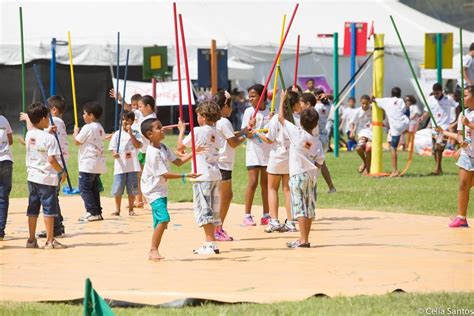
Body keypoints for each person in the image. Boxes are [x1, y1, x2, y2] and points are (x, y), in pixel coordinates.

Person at [140, 118, 199, 261]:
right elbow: (164, 174)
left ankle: (154, 250)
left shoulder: (163, 147)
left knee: (160, 222)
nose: (163, 129)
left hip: (160, 189)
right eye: (159, 128)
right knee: (164, 219)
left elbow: (178, 162)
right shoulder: (153, 153)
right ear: (149, 134)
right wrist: (186, 175)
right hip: (152, 191)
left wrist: (194, 152)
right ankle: (153, 250)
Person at [277, 91, 324, 248]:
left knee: (301, 209)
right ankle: (305, 238)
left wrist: (282, 99)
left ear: (301, 122)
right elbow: (320, 161)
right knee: (309, 208)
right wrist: (314, 172)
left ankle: (303, 239)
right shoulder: (316, 141)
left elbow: (281, 118)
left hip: (298, 175)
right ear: (316, 124)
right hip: (311, 176)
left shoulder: (296, 133)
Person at [177, 101, 224, 255]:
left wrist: (181, 130)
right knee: (212, 208)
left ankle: (210, 242)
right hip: (215, 174)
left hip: (202, 175)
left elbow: (180, 146)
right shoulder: (217, 132)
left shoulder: (197, 131)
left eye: (198, 115)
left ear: (202, 116)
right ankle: (211, 241)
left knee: (204, 209)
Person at [24, 102, 67, 249]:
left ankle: (31, 239)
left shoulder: (29, 134)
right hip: (47, 178)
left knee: (33, 209)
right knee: (49, 209)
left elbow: (37, 135)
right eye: (48, 117)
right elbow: (51, 159)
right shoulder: (50, 139)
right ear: (43, 118)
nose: (49, 119)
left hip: (32, 177)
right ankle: (50, 240)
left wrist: (47, 131)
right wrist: (62, 171)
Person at [259, 90, 301, 233]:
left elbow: (269, 139)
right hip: (291, 157)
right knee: (287, 189)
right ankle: (290, 221)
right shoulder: (297, 120)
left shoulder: (277, 118)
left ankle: (274, 220)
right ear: (294, 105)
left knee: (272, 188)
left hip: (277, 157)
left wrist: (257, 133)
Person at [435, 85, 474, 228]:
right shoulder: (463, 114)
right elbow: (460, 135)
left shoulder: (467, 118)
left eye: (466, 96)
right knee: (463, 185)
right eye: (462, 96)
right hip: (467, 154)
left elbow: (470, 127)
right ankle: (461, 217)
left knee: (470, 184)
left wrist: (469, 124)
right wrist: (444, 133)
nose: (462, 99)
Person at [214, 91, 248, 241]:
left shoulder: (216, 121)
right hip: (223, 164)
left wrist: (244, 131)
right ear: (225, 106)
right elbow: (233, 142)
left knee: (223, 197)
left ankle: (217, 227)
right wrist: (246, 136)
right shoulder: (224, 122)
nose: (232, 109)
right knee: (225, 198)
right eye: (230, 105)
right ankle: (217, 229)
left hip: (219, 163)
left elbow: (230, 136)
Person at [241, 84, 271, 226]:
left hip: (267, 152)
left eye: (253, 96)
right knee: (253, 182)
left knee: (265, 184)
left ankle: (266, 214)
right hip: (253, 152)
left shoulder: (271, 112)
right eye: (250, 96)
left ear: (262, 97)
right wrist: (249, 126)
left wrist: (272, 120)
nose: (250, 99)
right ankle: (247, 215)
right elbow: (244, 133)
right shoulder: (249, 112)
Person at [73, 102, 106, 222]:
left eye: (84, 114)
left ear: (91, 116)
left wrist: (75, 131)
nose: (83, 116)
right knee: (93, 189)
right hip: (97, 163)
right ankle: (97, 212)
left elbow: (77, 141)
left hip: (88, 163)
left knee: (84, 188)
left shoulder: (87, 127)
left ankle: (92, 211)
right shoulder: (100, 127)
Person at [419, 83, 459, 175]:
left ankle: (436, 169)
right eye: (434, 93)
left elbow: (456, 106)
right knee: (434, 150)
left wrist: (456, 120)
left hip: (444, 128)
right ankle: (439, 168)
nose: (436, 95)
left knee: (439, 147)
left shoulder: (448, 99)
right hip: (434, 128)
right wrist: (422, 117)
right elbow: (427, 111)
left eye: (437, 93)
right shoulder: (430, 100)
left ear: (442, 91)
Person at [108, 110, 142, 216]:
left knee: (132, 189)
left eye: (127, 120)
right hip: (120, 166)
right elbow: (112, 147)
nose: (124, 122)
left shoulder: (136, 133)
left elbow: (138, 145)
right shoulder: (117, 134)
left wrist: (131, 134)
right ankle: (117, 209)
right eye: (122, 119)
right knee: (118, 188)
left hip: (132, 166)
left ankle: (131, 209)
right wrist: (114, 153)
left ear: (132, 121)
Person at [374, 87, 409, 177]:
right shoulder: (401, 101)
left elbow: (373, 99)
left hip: (396, 126)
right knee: (391, 141)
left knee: (393, 148)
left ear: (391, 94)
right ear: (400, 94)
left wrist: (373, 92)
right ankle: (402, 141)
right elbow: (405, 110)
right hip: (405, 123)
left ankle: (395, 170)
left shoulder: (386, 101)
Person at [307, 90, 337, 193]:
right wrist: (328, 97)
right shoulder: (328, 106)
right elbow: (333, 99)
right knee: (320, 163)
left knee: (313, 163)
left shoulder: (316, 107)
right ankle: (330, 187)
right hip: (324, 138)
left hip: (316, 138)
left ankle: (312, 187)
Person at [135, 95, 157, 208]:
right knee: (140, 175)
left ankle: (145, 199)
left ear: (148, 107)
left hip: (148, 151)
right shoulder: (144, 118)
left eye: (141, 106)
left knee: (146, 176)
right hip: (143, 150)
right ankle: (139, 200)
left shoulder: (151, 120)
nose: (139, 109)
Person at [350, 95, 372, 174]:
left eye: (366, 104)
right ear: (360, 103)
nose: (364, 105)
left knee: (368, 149)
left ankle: (368, 170)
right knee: (358, 148)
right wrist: (352, 131)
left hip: (372, 133)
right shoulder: (357, 111)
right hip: (362, 133)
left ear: (369, 102)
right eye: (363, 103)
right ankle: (365, 162)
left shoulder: (373, 108)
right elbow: (352, 122)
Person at [0, 114, 13, 240]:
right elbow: (11, 141)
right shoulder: (4, 119)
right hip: (6, 160)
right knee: (3, 197)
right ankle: (0, 231)